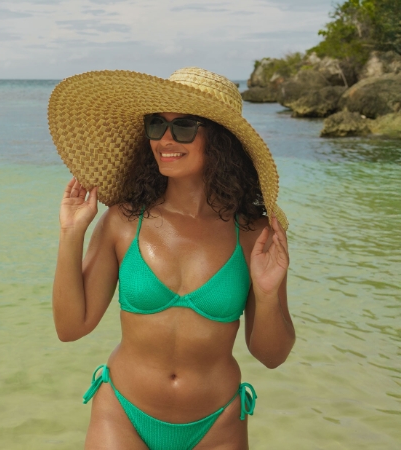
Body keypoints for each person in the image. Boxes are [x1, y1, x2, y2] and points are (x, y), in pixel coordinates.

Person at [48, 67, 295, 449]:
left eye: (183, 126)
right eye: (155, 124)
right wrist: (70, 235)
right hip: (122, 414)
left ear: (220, 138)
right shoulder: (123, 222)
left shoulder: (253, 234)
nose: (165, 139)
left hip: (218, 424)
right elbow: (70, 327)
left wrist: (265, 293)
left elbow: (272, 356)